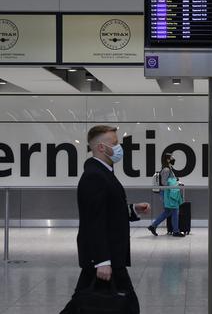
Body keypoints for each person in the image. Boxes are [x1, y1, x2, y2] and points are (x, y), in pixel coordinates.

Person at [61, 125, 151, 314]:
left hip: (108, 256)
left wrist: (133, 210)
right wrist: (102, 261)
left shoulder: (103, 173)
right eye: (115, 143)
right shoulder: (94, 176)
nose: (119, 148)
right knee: (127, 306)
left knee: (84, 303)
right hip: (104, 257)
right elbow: (93, 221)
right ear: (101, 147)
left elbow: (107, 211)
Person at [147, 153, 185, 237]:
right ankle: (175, 231)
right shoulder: (166, 170)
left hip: (167, 193)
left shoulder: (168, 169)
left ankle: (153, 226)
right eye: (171, 157)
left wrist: (175, 182)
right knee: (175, 210)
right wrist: (175, 184)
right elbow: (164, 183)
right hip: (167, 194)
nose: (173, 159)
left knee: (168, 211)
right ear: (168, 159)